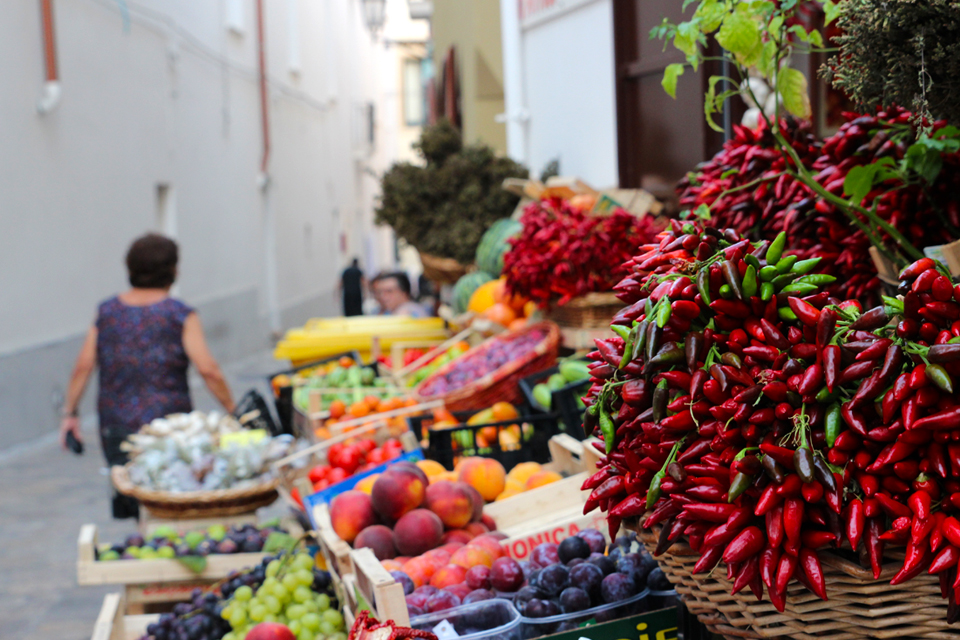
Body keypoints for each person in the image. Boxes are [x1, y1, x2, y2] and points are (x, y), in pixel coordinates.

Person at [59, 233, 235, 518]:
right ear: (172, 270)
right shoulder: (179, 313)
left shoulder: (107, 312)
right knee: (169, 495)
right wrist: (233, 410)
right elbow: (208, 370)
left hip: (117, 425)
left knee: (131, 493)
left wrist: (70, 413)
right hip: (168, 426)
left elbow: (83, 365)